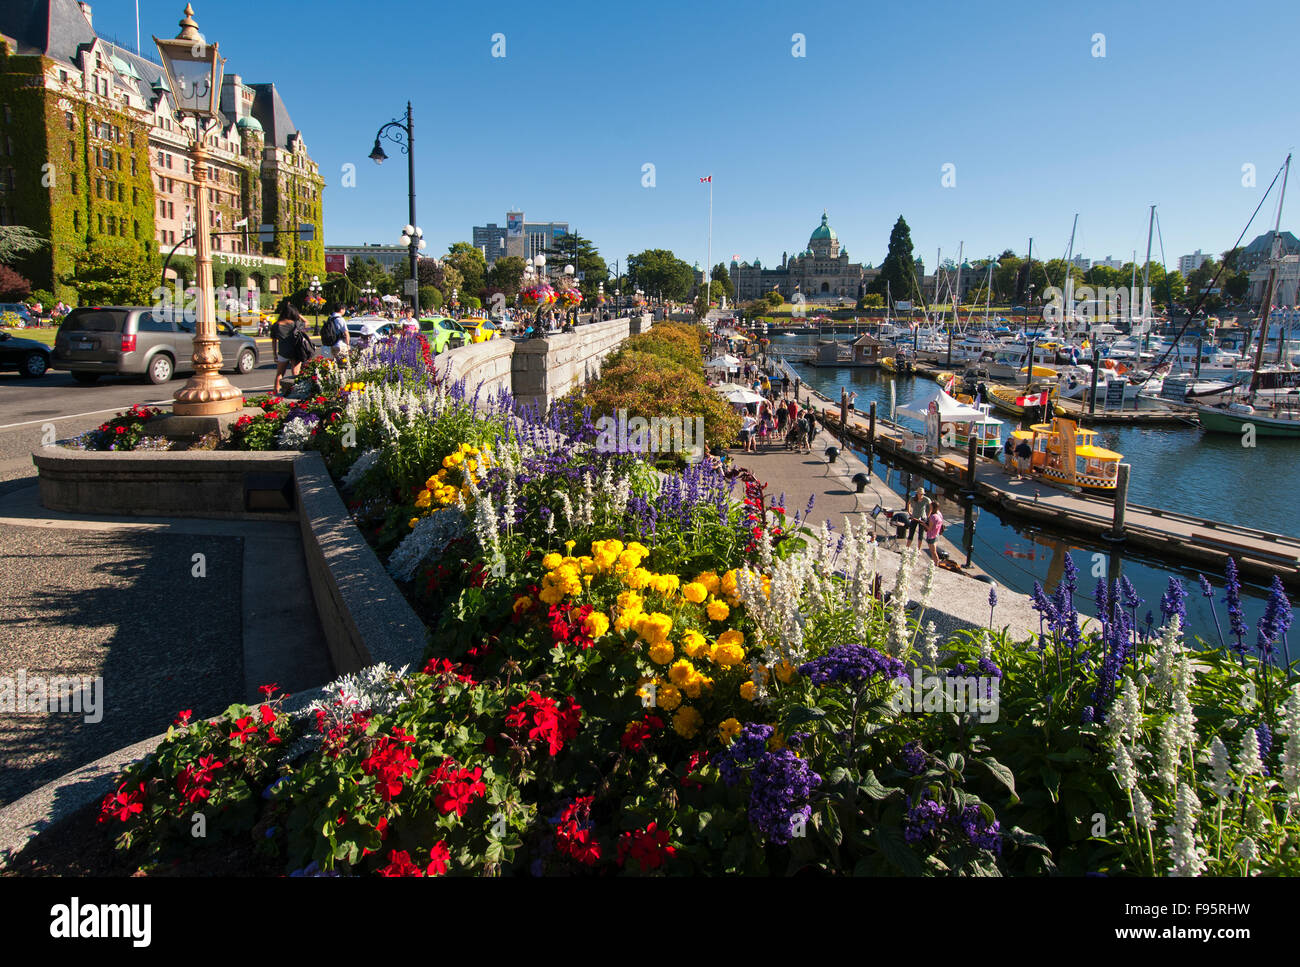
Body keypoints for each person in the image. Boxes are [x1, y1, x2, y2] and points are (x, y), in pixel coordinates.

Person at [273, 302, 311, 394]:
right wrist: (299, 315)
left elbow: (274, 341)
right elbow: (307, 323)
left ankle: (276, 391)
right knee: (295, 373)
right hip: (295, 351)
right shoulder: (295, 324)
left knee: (280, 373)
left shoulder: (276, 325)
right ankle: (296, 391)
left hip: (283, 351)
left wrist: (275, 354)